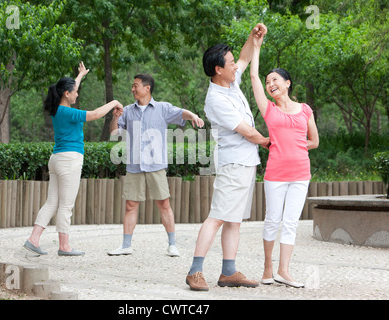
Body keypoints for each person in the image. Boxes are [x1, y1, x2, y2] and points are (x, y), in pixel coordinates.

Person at [185, 24, 270, 291]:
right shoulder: (215, 99)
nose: (236, 66)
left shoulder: (232, 82)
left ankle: (228, 272)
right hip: (233, 164)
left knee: (234, 220)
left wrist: (253, 37)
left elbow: (245, 57)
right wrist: (270, 141)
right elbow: (246, 131)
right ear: (218, 70)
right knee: (218, 216)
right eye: (230, 63)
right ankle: (195, 271)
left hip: (247, 162)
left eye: (234, 62)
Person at [24, 62, 123, 256]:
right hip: (70, 160)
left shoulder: (57, 110)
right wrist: (114, 102)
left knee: (52, 202)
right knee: (66, 205)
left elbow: (70, 90)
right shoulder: (69, 112)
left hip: (56, 159)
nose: (77, 94)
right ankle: (64, 246)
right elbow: (94, 115)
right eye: (75, 92)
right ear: (66, 94)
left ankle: (33, 239)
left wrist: (79, 76)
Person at [250, 25, 319, 287]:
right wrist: (256, 47)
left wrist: (295, 146)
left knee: (291, 223)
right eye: (268, 82)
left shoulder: (304, 110)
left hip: (301, 174)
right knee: (272, 220)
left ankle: (284, 271)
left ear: (287, 83)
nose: (270, 84)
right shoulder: (269, 110)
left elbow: (314, 141)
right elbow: (254, 77)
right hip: (276, 174)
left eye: (275, 80)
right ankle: (267, 269)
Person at [107, 74, 204, 257]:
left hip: (156, 164)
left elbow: (180, 112)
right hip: (134, 165)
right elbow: (114, 132)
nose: (133, 89)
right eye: (132, 86)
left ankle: (172, 244)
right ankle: (126, 245)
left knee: (164, 204)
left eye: (136, 86)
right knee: (130, 205)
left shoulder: (162, 108)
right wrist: (115, 117)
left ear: (147, 88)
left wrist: (193, 116)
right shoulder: (127, 110)